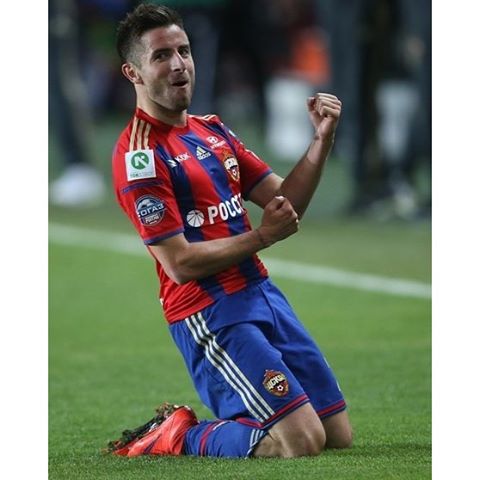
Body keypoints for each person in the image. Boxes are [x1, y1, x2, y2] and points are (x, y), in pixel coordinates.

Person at [108, 3, 352, 459]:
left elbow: (286, 205)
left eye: (183, 51)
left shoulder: (212, 131)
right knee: (300, 442)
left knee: (336, 434)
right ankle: (177, 435)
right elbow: (179, 264)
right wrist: (262, 237)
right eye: (161, 56)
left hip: (261, 293)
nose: (179, 64)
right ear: (133, 72)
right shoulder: (140, 156)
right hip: (210, 311)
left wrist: (321, 140)